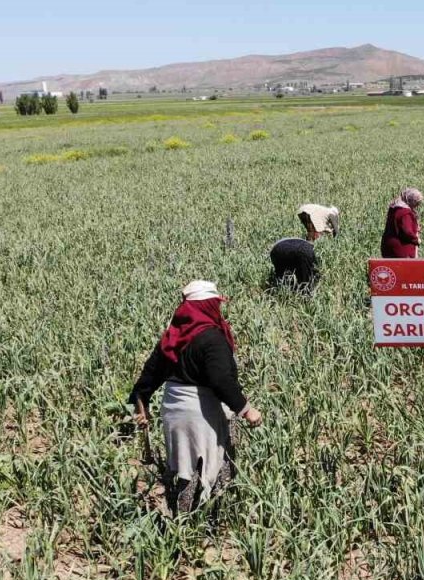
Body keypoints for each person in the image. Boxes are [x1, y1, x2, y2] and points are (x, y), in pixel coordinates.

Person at [129, 281, 263, 513]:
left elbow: (151, 372)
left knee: (182, 465)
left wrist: (142, 401)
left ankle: (179, 517)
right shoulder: (212, 338)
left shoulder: (173, 336)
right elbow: (220, 380)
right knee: (209, 465)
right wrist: (245, 409)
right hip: (200, 410)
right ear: (210, 306)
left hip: (173, 408)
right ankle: (206, 519)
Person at [270, 204, 337, 292]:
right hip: (304, 243)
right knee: (307, 285)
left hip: (277, 247)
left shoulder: (322, 212)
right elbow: (336, 231)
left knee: (283, 282)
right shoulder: (332, 214)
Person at [381, 188, 424, 258]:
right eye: (417, 203)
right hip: (401, 250)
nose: (417, 206)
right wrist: (416, 240)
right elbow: (406, 231)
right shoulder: (405, 213)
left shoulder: (394, 209)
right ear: (412, 201)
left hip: (388, 247)